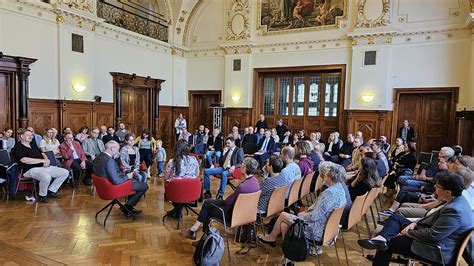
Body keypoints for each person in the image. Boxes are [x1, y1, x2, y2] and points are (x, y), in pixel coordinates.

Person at [358, 172, 473, 266]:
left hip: (436, 250)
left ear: (448, 192)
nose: (434, 187)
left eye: (437, 187)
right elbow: (430, 217)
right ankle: (381, 238)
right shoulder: (456, 200)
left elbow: (433, 235)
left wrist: (408, 233)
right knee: (397, 217)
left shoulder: (455, 211)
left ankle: (382, 243)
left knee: (390, 243)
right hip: (431, 234)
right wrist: (414, 224)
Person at [258, 162, 347, 253]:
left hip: (315, 231)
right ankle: (288, 257)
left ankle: (272, 238)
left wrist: (300, 214)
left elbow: (314, 216)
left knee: (283, 215)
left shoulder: (329, 193)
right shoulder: (340, 189)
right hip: (329, 229)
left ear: (330, 176)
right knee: (284, 224)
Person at [180, 158, 260, 240]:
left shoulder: (242, 187)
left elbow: (228, 202)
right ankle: (195, 231)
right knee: (208, 203)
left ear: (245, 168)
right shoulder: (256, 183)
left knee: (208, 208)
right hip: (246, 214)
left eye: (242, 165)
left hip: (233, 215)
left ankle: (202, 237)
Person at [11, 129, 69, 203]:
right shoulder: (18, 146)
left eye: (31, 135)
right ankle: (42, 195)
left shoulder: (32, 144)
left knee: (65, 172)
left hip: (43, 167)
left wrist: (46, 159)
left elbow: (42, 153)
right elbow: (24, 160)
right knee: (46, 177)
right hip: (29, 169)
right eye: (28, 135)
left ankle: (51, 191)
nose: (30, 136)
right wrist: (42, 161)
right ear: (22, 136)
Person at [93, 141, 149, 216]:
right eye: (117, 149)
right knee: (144, 186)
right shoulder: (109, 160)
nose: (118, 151)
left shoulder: (99, 157)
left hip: (104, 186)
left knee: (135, 182)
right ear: (112, 148)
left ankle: (128, 208)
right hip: (113, 187)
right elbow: (117, 181)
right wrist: (128, 176)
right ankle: (127, 207)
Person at [164, 140, 199, 218]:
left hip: (177, 192)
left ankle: (177, 211)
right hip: (192, 190)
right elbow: (197, 174)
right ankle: (176, 212)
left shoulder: (172, 161)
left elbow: (166, 177)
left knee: (171, 185)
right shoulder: (194, 159)